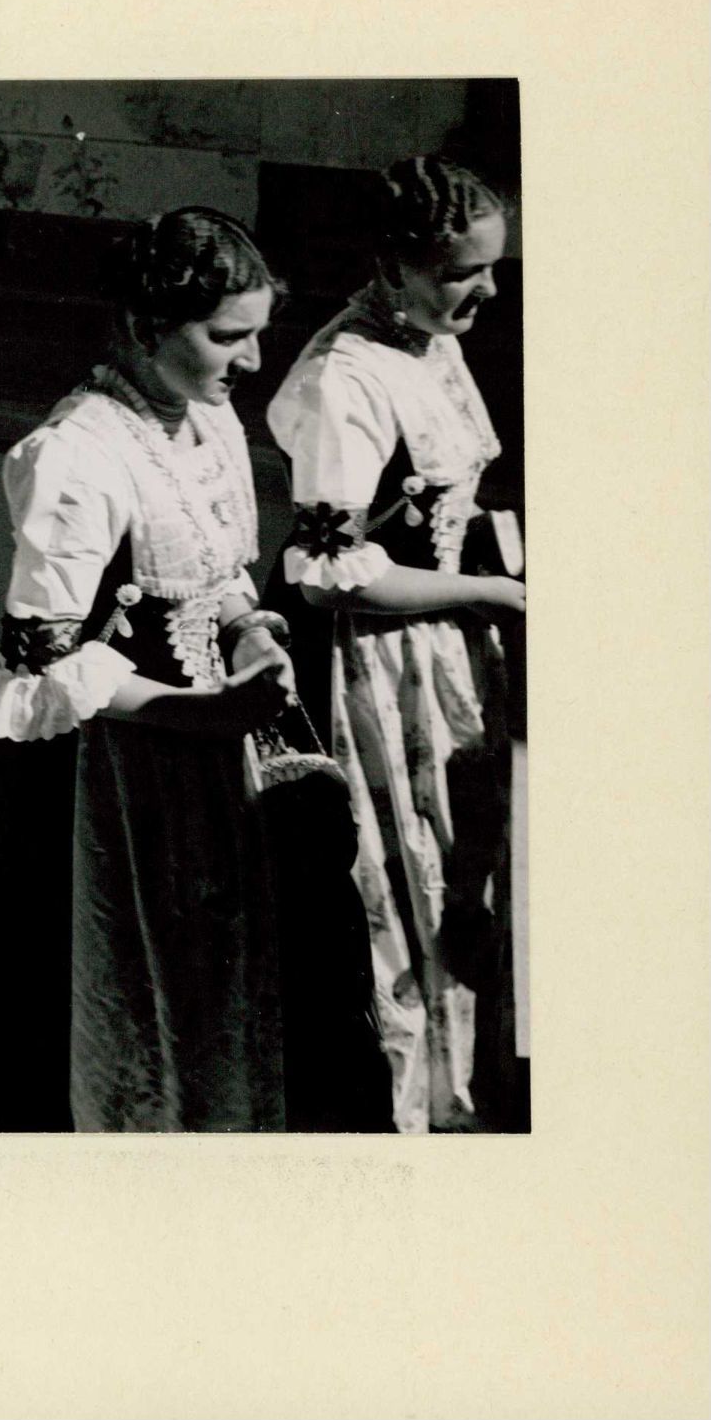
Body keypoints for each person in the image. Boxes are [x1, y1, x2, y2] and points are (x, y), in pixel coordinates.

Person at [0, 207, 388, 1132]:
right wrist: (202, 714)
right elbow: (44, 658)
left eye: (257, 333)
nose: (252, 360)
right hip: (114, 773)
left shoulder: (205, 416)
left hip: (215, 751)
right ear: (143, 326)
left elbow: (221, 570)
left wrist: (248, 630)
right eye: (227, 336)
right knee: (133, 1003)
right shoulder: (76, 455)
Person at [263, 154, 525, 1133]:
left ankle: (463, 1092)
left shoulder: (428, 335)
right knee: (404, 891)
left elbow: (442, 493)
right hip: (376, 668)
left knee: (462, 879)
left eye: (491, 267)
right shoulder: (347, 380)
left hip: (446, 649)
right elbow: (329, 574)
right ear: (391, 264)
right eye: (462, 272)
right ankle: (405, 1119)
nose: (486, 290)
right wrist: (488, 591)